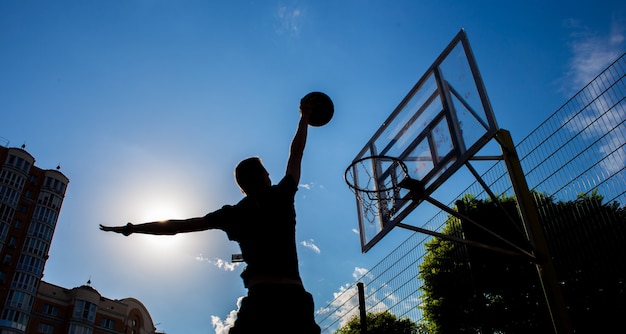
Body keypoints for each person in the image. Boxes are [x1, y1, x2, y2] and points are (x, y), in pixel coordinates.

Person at [100, 96, 321, 333]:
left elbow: (178, 226)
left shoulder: (234, 214)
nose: (269, 176)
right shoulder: (281, 197)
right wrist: (304, 118)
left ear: (242, 187)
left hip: (261, 300)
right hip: (293, 300)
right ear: (263, 177)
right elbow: (296, 153)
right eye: (267, 173)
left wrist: (133, 228)